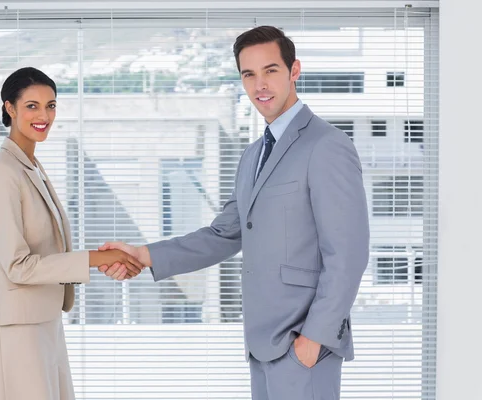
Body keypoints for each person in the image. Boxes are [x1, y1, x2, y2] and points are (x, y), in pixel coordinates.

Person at [99, 26, 370, 399]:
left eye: (271, 70)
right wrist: (144, 255)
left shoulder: (327, 146)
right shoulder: (252, 156)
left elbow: (348, 254)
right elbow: (224, 234)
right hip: (262, 344)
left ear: (294, 71)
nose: (260, 84)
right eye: (249, 74)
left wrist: (313, 340)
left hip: (304, 345)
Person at [0, 67, 142, 400]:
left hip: (42, 318)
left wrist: (104, 258)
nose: (44, 115)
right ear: (10, 108)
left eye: (51, 105)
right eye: (32, 106)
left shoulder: (30, 165)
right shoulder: (2, 172)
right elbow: (17, 265)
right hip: (16, 327)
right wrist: (96, 260)